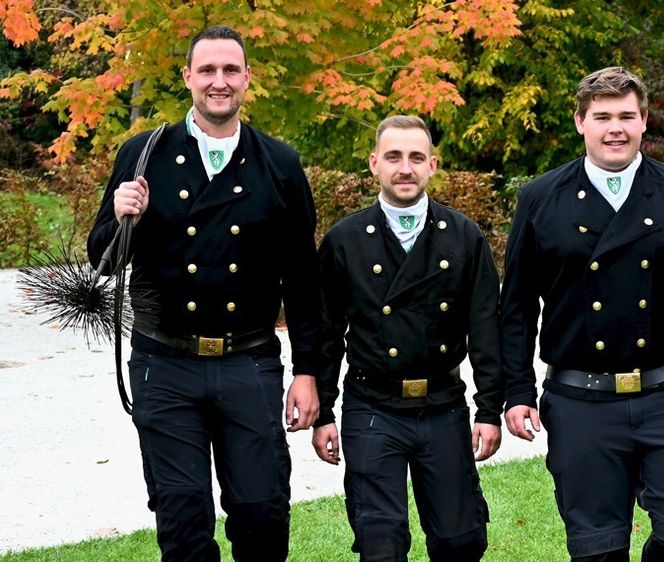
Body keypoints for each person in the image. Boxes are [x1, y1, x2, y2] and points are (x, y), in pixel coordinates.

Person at [86, 25, 323, 561]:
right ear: (188, 77)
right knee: (183, 521)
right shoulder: (144, 155)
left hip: (249, 363)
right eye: (208, 70)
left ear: (247, 78)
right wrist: (121, 217)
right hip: (164, 364)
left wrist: (308, 372)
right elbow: (102, 260)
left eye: (230, 70)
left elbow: (303, 282)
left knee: (263, 515)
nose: (220, 81)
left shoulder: (279, 164)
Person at [498, 66, 664, 561]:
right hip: (580, 400)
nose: (615, 129)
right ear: (580, 122)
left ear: (644, 121)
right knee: (597, 549)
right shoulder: (541, 198)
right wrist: (518, 391)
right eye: (602, 116)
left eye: (627, 116)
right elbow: (517, 306)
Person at [310, 115, 503, 561]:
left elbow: (485, 330)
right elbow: (325, 334)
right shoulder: (345, 240)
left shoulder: (463, 236)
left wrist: (489, 409)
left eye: (416, 158)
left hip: (443, 404)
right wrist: (324, 413)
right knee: (381, 542)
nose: (405, 168)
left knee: (461, 542)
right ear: (374, 163)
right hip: (372, 406)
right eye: (393, 157)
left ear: (433, 165)